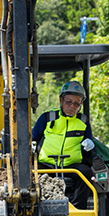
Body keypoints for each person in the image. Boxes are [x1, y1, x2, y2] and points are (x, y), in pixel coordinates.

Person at [32, 80, 96, 208]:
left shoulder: (83, 122)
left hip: (70, 165)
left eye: (77, 103)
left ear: (81, 104)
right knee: (29, 175)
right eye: (69, 102)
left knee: (86, 173)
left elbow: (89, 145)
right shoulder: (48, 118)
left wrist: (90, 144)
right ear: (61, 100)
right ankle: (36, 208)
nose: (72, 106)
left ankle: (78, 209)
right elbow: (33, 137)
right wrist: (32, 144)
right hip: (46, 164)